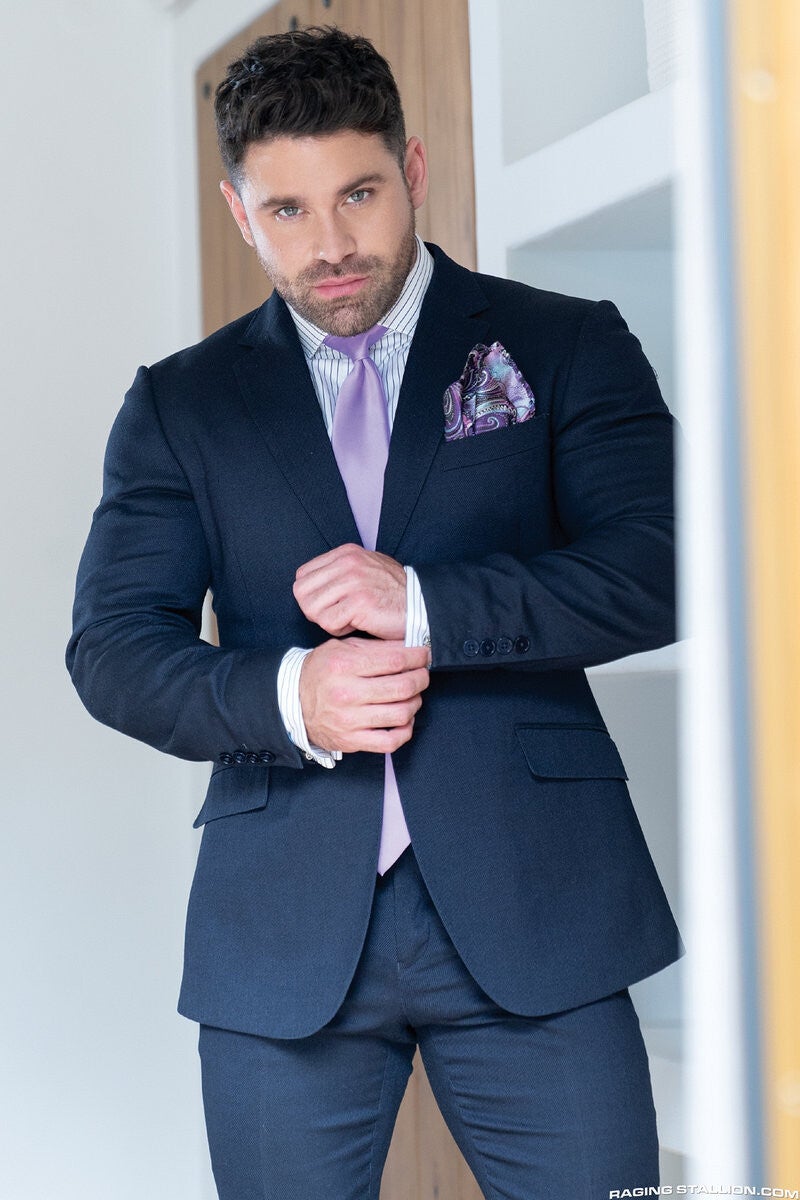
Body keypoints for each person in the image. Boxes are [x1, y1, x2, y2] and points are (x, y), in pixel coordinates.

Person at [67, 25, 682, 1200]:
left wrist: (428, 604)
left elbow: (663, 566)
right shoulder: (180, 405)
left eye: (357, 193)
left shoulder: (562, 343)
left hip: (536, 904)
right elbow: (112, 649)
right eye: (286, 210)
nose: (331, 245)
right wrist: (290, 694)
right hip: (282, 925)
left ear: (412, 170)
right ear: (239, 213)